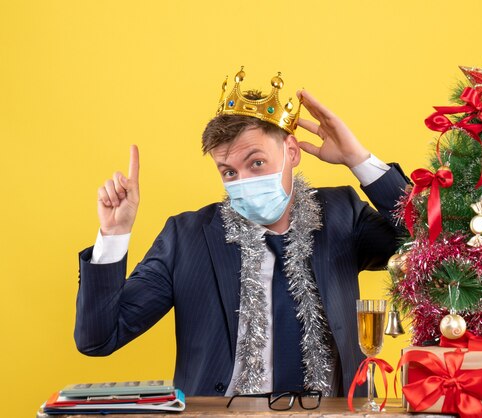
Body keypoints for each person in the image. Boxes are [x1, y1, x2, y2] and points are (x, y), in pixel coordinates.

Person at [74, 69, 410, 397]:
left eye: (257, 163)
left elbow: (426, 242)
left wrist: (358, 160)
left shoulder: (341, 215)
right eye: (229, 171)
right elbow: (99, 339)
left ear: (291, 152)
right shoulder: (186, 237)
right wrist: (114, 235)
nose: (244, 181)